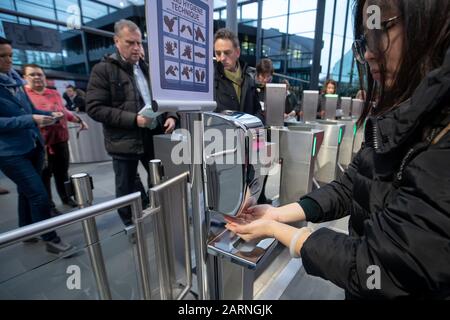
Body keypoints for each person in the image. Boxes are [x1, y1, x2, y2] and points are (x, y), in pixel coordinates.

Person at [225, 0, 450, 299]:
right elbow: (352, 185)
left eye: (380, 30)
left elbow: (381, 268)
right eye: (364, 40)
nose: (370, 52)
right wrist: (279, 214)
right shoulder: (400, 111)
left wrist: (283, 233)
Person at [86, 20, 177, 227]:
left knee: (159, 178)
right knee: (125, 186)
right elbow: (94, 107)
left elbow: (165, 96)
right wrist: (133, 119)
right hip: (124, 139)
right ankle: (130, 224)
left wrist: (171, 115)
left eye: (139, 43)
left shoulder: (148, 68)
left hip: (153, 135)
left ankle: (158, 213)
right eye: (130, 43)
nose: (136, 48)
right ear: (116, 41)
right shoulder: (103, 70)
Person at [0, 37, 73, 254]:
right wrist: (31, 120)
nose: (8, 60)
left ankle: (27, 232)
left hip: (32, 145)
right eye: (2, 56)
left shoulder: (15, 82)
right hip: (9, 152)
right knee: (39, 194)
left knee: (26, 192)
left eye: (10, 55)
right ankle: (50, 238)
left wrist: (51, 115)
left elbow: (31, 110)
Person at [23, 64, 88, 212]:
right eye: (32, 75)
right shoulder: (24, 95)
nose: (37, 77)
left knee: (62, 172)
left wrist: (79, 120)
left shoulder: (54, 93)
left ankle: (66, 198)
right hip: (41, 143)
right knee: (44, 176)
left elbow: (64, 111)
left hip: (60, 139)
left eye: (39, 74)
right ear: (25, 78)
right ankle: (49, 205)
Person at [213, 28, 263, 121]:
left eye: (227, 53)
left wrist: (253, 128)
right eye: (218, 53)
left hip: (247, 134)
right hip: (219, 133)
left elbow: (258, 110)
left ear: (237, 52)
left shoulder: (249, 77)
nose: (222, 58)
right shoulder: (210, 78)